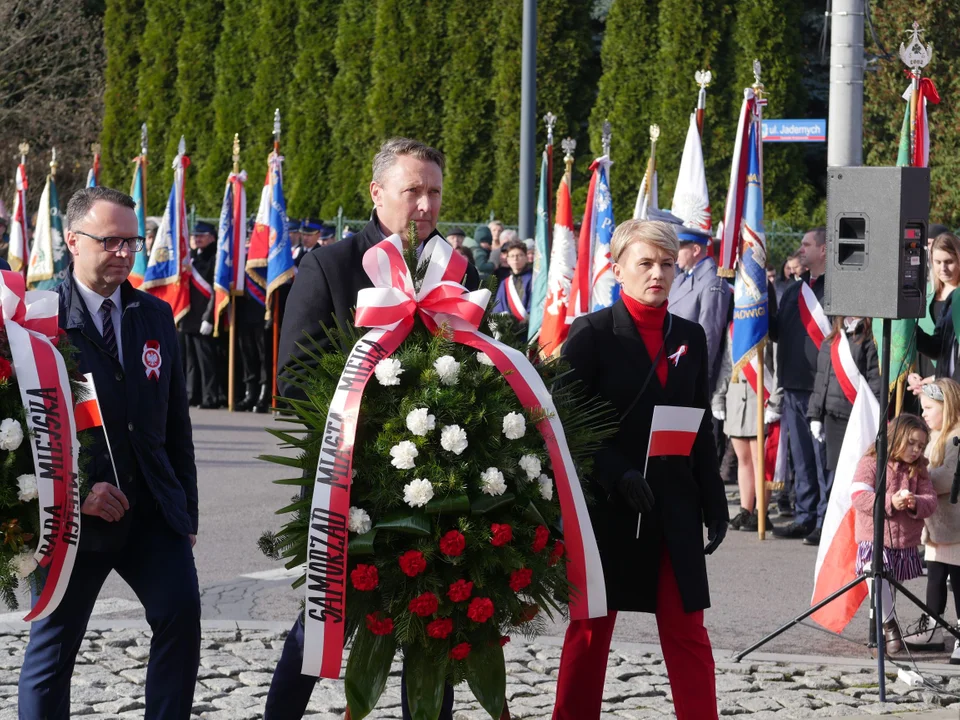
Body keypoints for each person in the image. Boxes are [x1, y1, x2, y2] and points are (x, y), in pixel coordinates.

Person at [269, 137, 480, 720]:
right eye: (412, 190)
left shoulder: (459, 269)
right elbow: (296, 378)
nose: (424, 205)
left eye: (434, 192)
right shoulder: (330, 265)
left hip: (440, 483)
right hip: (353, 480)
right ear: (377, 192)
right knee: (322, 622)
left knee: (433, 625)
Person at [18, 186, 200, 719]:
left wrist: (185, 506)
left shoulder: (154, 315)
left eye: (132, 241)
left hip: (151, 509)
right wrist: (78, 494)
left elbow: (174, 422)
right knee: (53, 648)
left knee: (180, 616)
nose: (125, 253)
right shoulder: (37, 318)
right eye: (111, 241)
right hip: (75, 519)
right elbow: (20, 433)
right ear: (73, 241)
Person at [554, 219, 727, 720]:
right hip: (608, 508)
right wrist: (616, 472)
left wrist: (713, 500)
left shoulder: (690, 336)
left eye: (668, 264)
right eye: (646, 263)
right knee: (590, 629)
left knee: (687, 629)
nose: (658, 273)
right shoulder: (590, 333)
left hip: (673, 505)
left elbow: (700, 425)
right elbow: (568, 424)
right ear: (617, 268)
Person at [851, 413, 936, 654]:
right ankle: (890, 627)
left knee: (889, 585)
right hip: (874, 536)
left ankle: (885, 623)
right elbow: (859, 497)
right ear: (896, 436)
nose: (916, 450)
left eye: (920, 445)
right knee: (874, 573)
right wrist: (890, 501)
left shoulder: (919, 469)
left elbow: (930, 501)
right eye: (911, 443)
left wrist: (914, 502)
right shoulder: (871, 462)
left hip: (903, 540)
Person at [771, 228, 830, 540]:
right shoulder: (794, 291)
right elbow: (777, 331)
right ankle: (805, 515)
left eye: (807, 244)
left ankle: (823, 518)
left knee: (822, 459)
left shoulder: (836, 288)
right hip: (792, 383)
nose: (801, 249)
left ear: (823, 249)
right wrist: (761, 295)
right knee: (801, 457)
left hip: (822, 386)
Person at [806, 317, 882, 545]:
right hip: (831, 418)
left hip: (855, 418)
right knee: (832, 479)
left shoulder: (869, 339)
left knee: (856, 478)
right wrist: (815, 415)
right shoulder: (832, 340)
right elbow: (821, 380)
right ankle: (830, 528)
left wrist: (877, 420)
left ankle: (857, 532)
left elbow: (875, 383)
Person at [903, 381, 960, 660]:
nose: (923, 413)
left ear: (946, 407)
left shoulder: (956, 436)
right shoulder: (934, 435)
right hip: (937, 525)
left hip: (957, 526)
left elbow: (950, 474)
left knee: (959, 580)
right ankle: (933, 625)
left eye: (928, 408)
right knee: (935, 578)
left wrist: (918, 482)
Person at [712, 327, 782, 532]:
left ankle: (761, 511)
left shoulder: (768, 326)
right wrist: (719, 396)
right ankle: (746, 509)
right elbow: (727, 365)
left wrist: (776, 400)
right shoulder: (734, 327)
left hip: (760, 398)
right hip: (736, 397)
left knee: (760, 460)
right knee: (743, 460)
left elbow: (778, 367)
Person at [667, 226, 731, 395]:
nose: (675, 254)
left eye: (680, 248)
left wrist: (699, 375)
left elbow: (709, 333)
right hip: (673, 365)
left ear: (695, 250)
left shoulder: (713, 282)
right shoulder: (682, 277)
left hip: (691, 370)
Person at [911, 232, 960, 391]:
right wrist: (911, 329)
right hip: (944, 390)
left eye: (949, 262)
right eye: (937, 262)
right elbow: (937, 348)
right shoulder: (948, 300)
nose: (943, 268)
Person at [179, 220, 220, 408]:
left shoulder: (214, 259)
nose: (196, 239)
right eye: (195, 236)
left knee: (206, 362)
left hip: (204, 317)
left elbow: (215, 290)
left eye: (201, 235)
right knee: (191, 361)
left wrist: (209, 318)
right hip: (189, 316)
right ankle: (191, 394)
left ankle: (210, 397)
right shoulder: (192, 257)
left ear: (211, 237)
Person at [492, 239, 533, 321]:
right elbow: (498, 309)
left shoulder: (533, 279)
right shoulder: (505, 282)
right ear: (507, 259)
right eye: (512, 256)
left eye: (520, 255)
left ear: (526, 258)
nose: (515, 259)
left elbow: (534, 309)